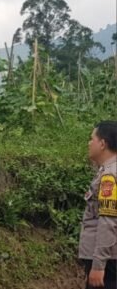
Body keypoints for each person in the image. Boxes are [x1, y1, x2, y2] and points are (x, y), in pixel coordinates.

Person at [79, 120, 117, 289]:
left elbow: (108, 221)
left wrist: (98, 265)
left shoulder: (110, 176)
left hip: (107, 262)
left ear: (102, 144)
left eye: (91, 138)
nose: (89, 143)